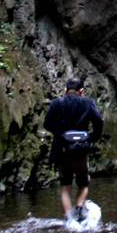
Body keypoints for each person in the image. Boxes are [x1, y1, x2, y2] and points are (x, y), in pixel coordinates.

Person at [43, 77, 104, 221]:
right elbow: (99, 121)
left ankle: (70, 220)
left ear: (65, 90)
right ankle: (79, 209)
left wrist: (60, 134)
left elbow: (47, 124)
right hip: (81, 151)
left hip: (62, 151)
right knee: (83, 184)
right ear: (81, 90)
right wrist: (92, 138)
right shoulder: (88, 103)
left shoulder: (57, 103)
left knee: (65, 187)